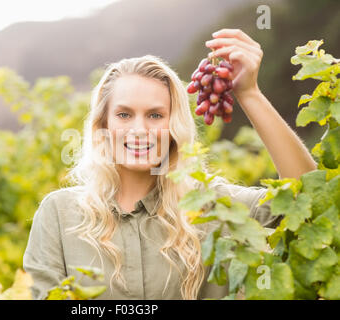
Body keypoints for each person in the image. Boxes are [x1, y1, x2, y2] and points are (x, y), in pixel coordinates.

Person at [23, 29, 317, 300]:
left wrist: (249, 93)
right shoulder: (58, 215)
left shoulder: (215, 206)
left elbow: (306, 198)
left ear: (174, 125)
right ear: (103, 124)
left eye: (155, 116)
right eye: (124, 115)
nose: (139, 130)